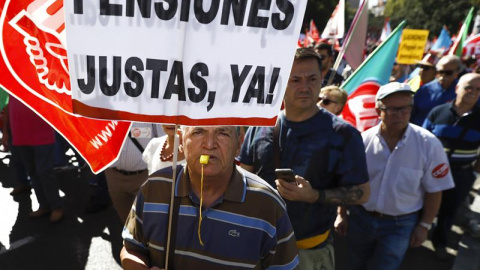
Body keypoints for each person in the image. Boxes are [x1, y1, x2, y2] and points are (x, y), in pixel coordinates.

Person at [238, 48, 370, 270]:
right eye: (295, 80)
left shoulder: (344, 135)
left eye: (312, 79)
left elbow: (363, 193)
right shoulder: (260, 127)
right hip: (256, 247)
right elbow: (243, 179)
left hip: (309, 253)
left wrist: (315, 196)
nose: (304, 87)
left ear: (321, 81)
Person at [120, 126, 299, 269]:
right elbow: (131, 248)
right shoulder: (154, 188)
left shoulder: (267, 204)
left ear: (239, 142)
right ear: (181, 140)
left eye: (222, 133)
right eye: (198, 132)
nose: (209, 144)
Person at [345, 82, 454, 270]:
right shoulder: (363, 141)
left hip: (400, 225)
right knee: (354, 264)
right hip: (360, 218)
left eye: (405, 108)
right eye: (392, 109)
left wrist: (424, 226)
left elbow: (435, 190)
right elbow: (348, 181)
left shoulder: (428, 144)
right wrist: (342, 214)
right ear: (378, 110)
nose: (400, 114)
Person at [423, 73, 480, 259]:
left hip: (461, 175)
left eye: (478, 89)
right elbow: (421, 141)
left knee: (449, 212)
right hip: (429, 172)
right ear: (457, 88)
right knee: (421, 206)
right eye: (468, 87)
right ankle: (414, 238)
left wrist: (473, 172)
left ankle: (440, 243)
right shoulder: (438, 112)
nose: (473, 92)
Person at [5, 97, 64, 223]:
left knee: (44, 172)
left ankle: (56, 206)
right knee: (32, 172)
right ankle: (44, 205)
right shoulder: (13, 81)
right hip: (20, 134)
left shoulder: (39, 79)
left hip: (42, 134)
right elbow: (8, 106)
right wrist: (6, 131)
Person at [105, 122, 163, 223]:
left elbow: (165, 140)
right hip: (114, 176)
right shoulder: (105, 110)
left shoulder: (150, 111)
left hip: (145, 177)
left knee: (149, 221)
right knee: (127, 222)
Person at [411, 55, 462, 125]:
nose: (443, 76)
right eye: (441, 72)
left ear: (457, 73)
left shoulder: (463, 91)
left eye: (448, 73)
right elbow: (411, 113)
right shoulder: (424, 90)